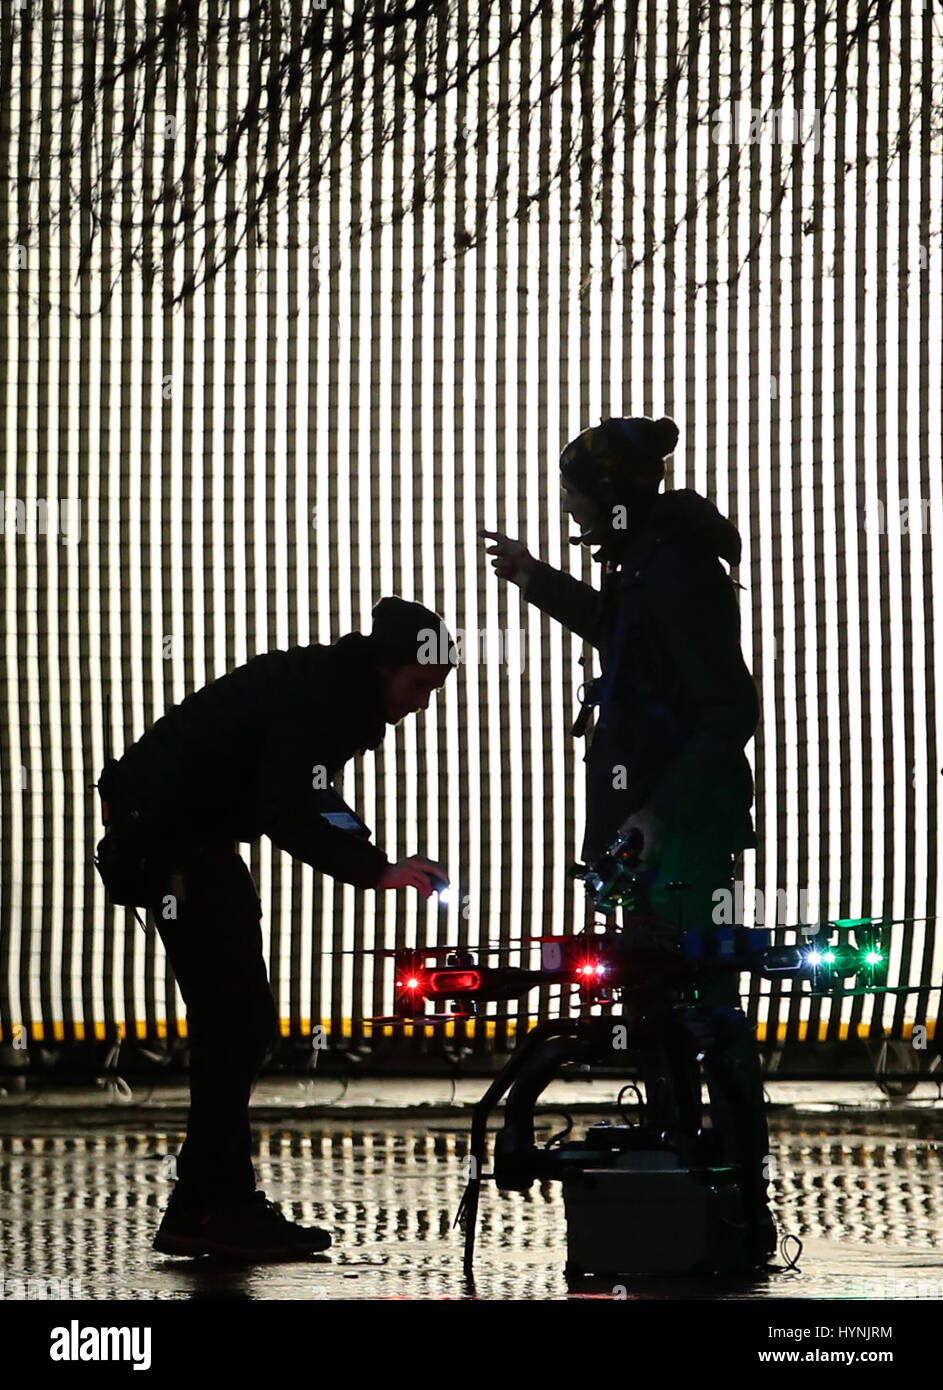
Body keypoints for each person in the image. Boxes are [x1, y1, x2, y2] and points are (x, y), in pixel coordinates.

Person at [480, 416, 777, 1265]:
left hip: (674, 836)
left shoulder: (677, 573)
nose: (568, 506)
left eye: (574, 492)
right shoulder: (651, 566)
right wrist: (537, 581)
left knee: (703, 1015)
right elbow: (623, 635)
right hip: (647, 832)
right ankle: (689, 1189)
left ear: (608, 494)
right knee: (664, 1013)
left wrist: (657, 814)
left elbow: (727, 712)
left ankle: (731, 1202)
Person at [94, 596, 455, 1262]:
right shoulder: (324, 699)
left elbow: (305, 793)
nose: (421, 704)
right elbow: (286, 805)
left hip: (177, 840)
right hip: (173, 845)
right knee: (235, 1020)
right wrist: (374, 870)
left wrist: (377, 860)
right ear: (384, 668)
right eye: (419, 686)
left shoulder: (329, 688)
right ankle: (209, 1208)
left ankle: (211, 1203)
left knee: (235, 1021)